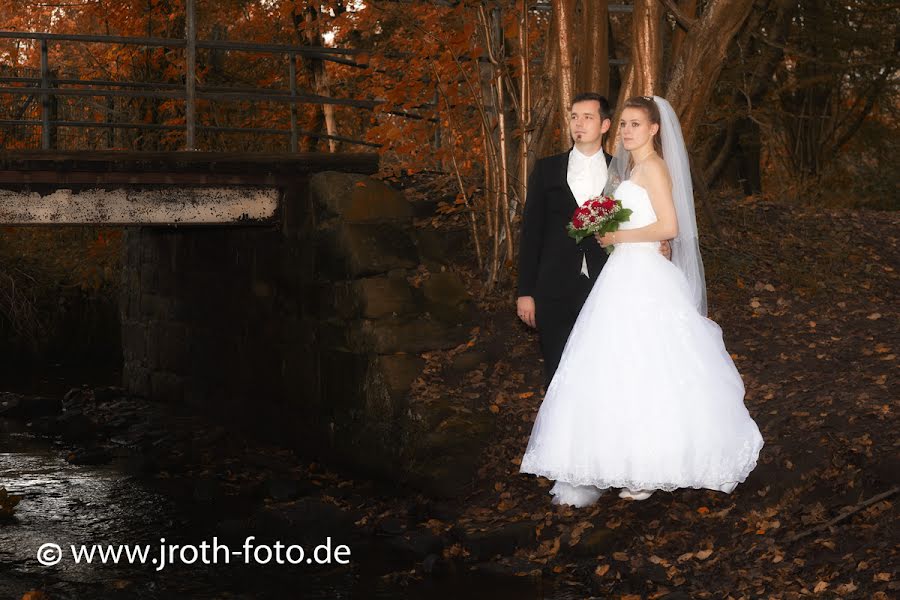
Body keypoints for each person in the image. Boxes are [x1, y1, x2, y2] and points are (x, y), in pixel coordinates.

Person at [519, 96, 764, 508]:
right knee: (615, 368)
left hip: (643, 277)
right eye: (626, 125)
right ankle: (616, 458)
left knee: (651, 365)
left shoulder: (651, 168)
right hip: (622, 275)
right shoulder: (629, 170)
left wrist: (620, 238)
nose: (628, 131)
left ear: (654, 129)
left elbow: (670, 224)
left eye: (636, 124)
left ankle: (652, 464)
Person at [516, 92, 669, 389]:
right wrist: (525, 291)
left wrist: (662, 243)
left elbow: (643, 216)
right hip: (553, 287)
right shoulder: (546, 170)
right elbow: (531, 233)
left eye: (587, 117)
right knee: (557, 372)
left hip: (607, 286)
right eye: (574, 117)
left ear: (605, 125)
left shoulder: (623, 173)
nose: (579, 124)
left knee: (606, 373)